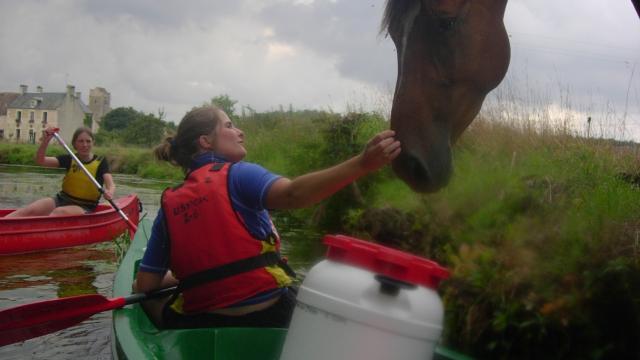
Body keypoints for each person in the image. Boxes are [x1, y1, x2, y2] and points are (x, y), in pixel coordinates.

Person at [133, 105, 401, 329]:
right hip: (269, 316)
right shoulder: (239, 174)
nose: (240, 132)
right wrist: (363, 164)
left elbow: (146, 284)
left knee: (147, 299)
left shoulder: (169, 204)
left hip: (199, 323)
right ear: (205, 141)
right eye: (229, 125)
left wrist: (187, 275)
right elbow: (294, 195)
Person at [7, 126, 115, 217]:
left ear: (93, 142)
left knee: (58, 212)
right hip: (62, 199)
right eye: (80, 141)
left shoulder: (101, 162)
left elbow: (111, 185)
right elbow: (41, 160)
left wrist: (109, 192)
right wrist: (46, 140)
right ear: (74, 144)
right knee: (30, 210)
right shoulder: (69, 159)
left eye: (88, 141)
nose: (85, 145)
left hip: (84, 206)